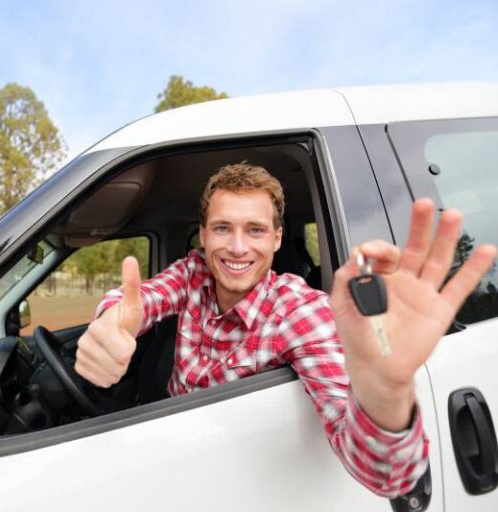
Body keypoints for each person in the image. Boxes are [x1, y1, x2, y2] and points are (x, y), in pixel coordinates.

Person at [73, 162, 497, 498]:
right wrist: (110, 324)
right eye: (223, 228)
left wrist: (385, 394)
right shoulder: (193, 273)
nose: (237, 247)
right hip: (166, 455)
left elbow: (389, 479)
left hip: (235, 481)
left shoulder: (300, 312)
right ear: (203, 236)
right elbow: (138, 301)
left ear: (277, 238)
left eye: (255, 230)